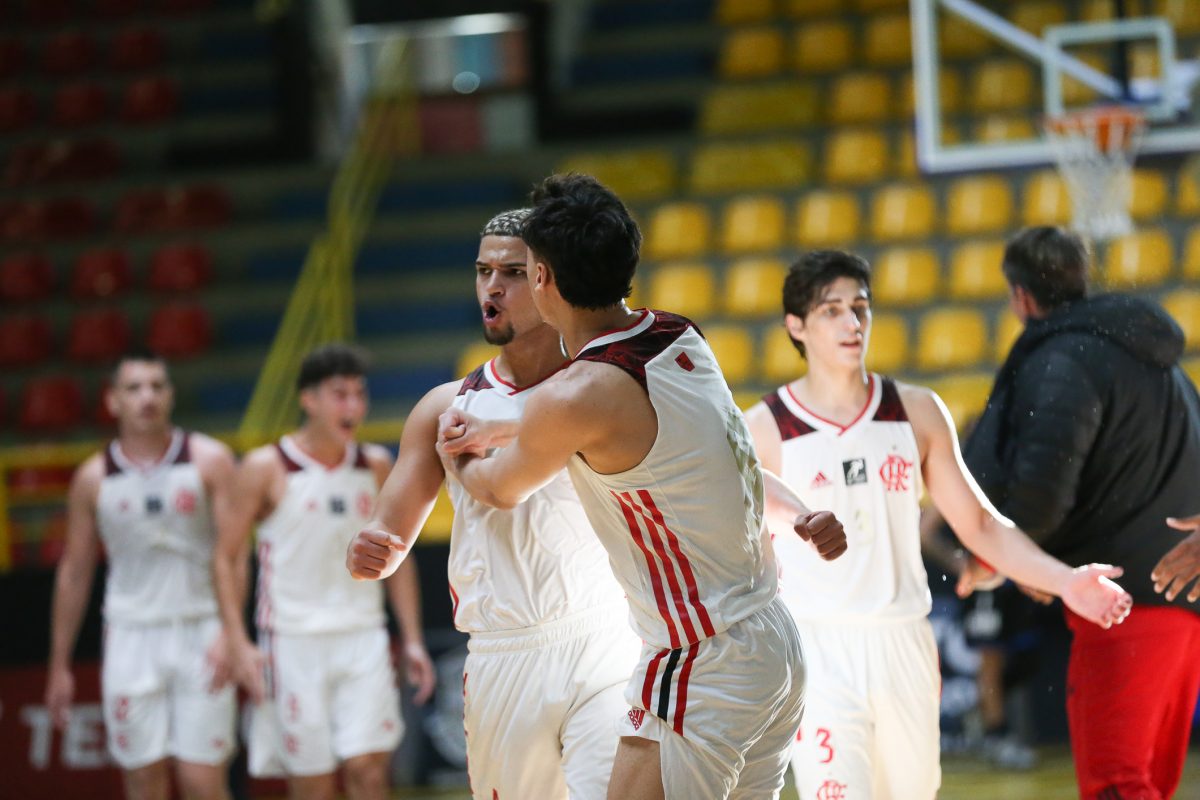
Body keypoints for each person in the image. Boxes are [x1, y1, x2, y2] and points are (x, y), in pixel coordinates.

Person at [430, 174, 850, 799]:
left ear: (542, 278)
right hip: (772, 639)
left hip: (699, 656)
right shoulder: (679, 336)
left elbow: (499, 488)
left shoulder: (575, 395)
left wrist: (457, 452)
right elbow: (675, 442)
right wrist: (798, 513)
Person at [742, 249, 1134, 800]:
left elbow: (980, 525)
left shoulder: (916, 410)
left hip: (904, 639)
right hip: (818, 647)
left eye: (860, 307)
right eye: (832, 310)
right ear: (796, 326)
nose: (852, 323)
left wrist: (1065, 580)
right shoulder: (762, 429)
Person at [346, 209, 643, 800]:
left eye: (512, 272)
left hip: (606, 637)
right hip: (504, 655)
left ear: (549, 280)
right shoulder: (444, 407)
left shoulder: (603, 386)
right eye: (483, 271)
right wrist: (368, 550)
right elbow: (387, 538)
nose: (492, 287)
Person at [954, 225, 1200, 800]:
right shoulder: (1158, 357)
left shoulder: (1063, 359)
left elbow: (1042, 490)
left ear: (1020, 297)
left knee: (1116, 785)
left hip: (1120, 603)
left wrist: (1010, 558)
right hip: (1183, 601)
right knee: (1148, 785)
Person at [212, 344, 434, 800]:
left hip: (363, 636)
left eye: (359, 393)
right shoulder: (265, 467)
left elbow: (399, 557)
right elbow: (226, 557)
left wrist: (412, 638)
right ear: (308, 399)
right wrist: (236, 640)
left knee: (369, 773)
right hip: (292, 641)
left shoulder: (375, 463)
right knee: (312, 784)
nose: (353, 405)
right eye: (340, 394)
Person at [46, 350, 238, 800]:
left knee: (202, 781)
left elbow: (234, 556)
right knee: (143, 779)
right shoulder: (92, 478)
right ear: (113, 400)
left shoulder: (210, 460)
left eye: (157, 386)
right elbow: (75, 572)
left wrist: (231, 632)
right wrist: (59, 665)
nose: (147, 397)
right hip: (130, 636)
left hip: (201, 629)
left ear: (171, 395)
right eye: (134, 388)